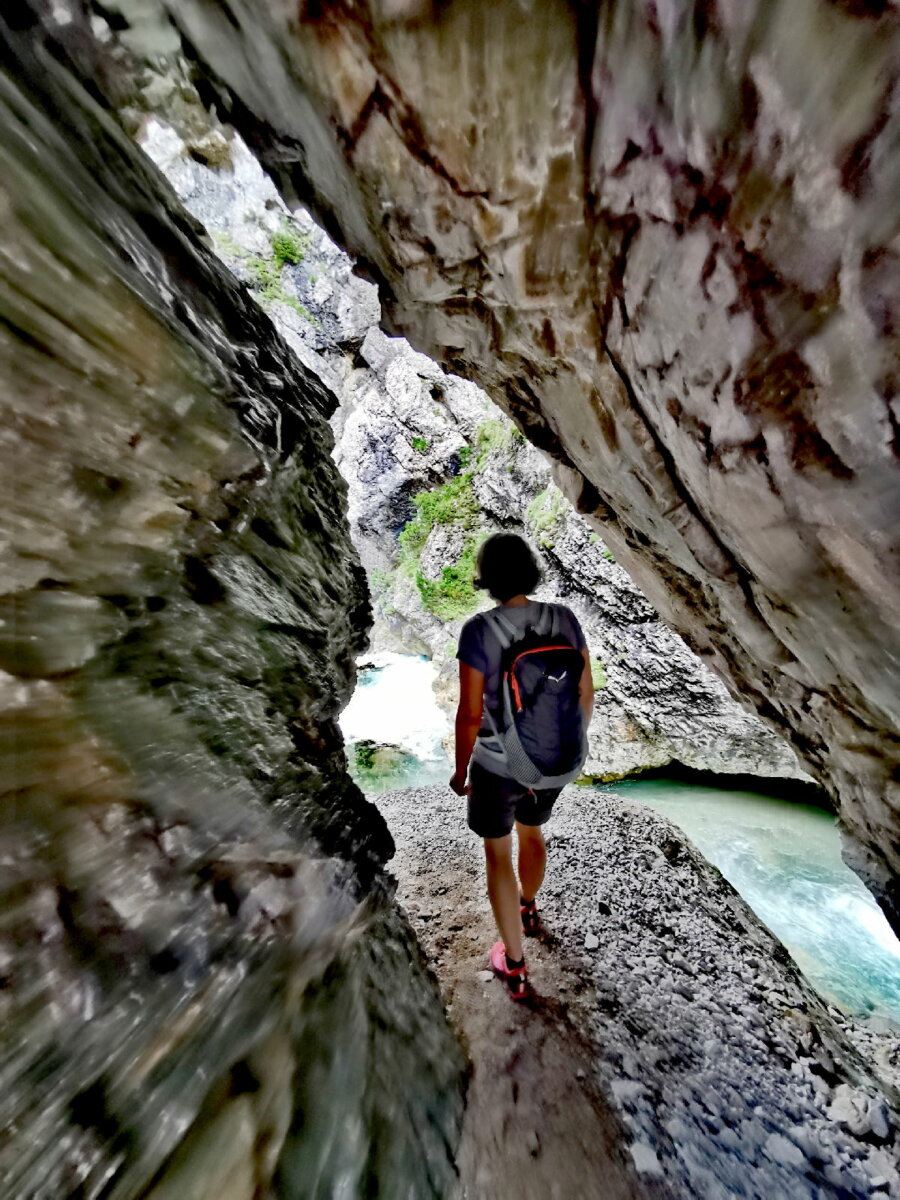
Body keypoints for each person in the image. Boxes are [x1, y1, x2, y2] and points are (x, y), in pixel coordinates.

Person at [450, 533, 593, 1000]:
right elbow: (583, 693)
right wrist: (564, 745)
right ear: (530, 570)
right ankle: (529, 908)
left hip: (498, 765)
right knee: (533, 833)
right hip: (557, 760)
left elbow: (470, 713)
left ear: (486, 578)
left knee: (497, 854)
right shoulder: (564, 618)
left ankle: (514, 965)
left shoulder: (478, 631)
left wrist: (459, 770)